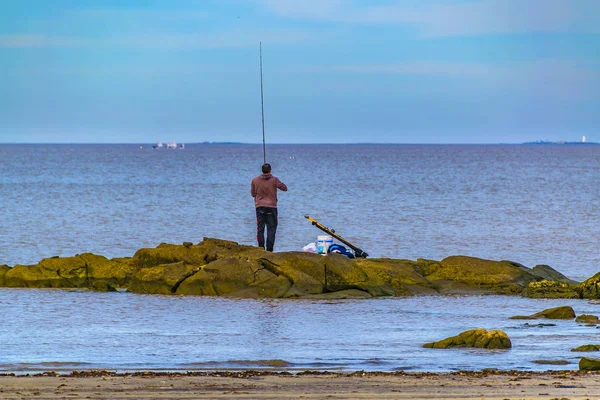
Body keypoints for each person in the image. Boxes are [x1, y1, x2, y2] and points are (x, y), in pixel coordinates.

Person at [251, 163, 287, 251]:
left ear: (262, 171)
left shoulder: (255, 180)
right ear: (270, 171)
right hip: (272, 207)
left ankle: (260, 248)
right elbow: (285, 188)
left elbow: (252, 194)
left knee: (260, 228)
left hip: (259, 207)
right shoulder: (274, 180)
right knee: (271, 228)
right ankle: (269, 250)